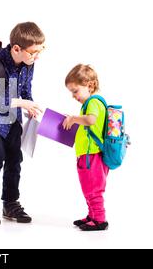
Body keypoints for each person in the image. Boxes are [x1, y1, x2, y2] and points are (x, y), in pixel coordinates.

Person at [0, 22, 45, 225]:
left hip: (12, 117)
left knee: (14, 158)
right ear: (16, 49)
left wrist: (29, 106)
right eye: (34, 52)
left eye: (40, 51)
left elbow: (25, 89)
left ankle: (10, 203)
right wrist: (22, 103)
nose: (37, 56)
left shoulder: (28, 64)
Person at [62, 64, 109, 231]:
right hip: (88, 155)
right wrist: (74, 119)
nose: (73, 96)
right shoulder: (91, 102)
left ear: (90, 85)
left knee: (93, 189)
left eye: (75, 91)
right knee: (88, 188)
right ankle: (92, 215)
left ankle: (99, 220)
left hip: (92, 155)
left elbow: (91, 120)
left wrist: (74, 118)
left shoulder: (93, 102)